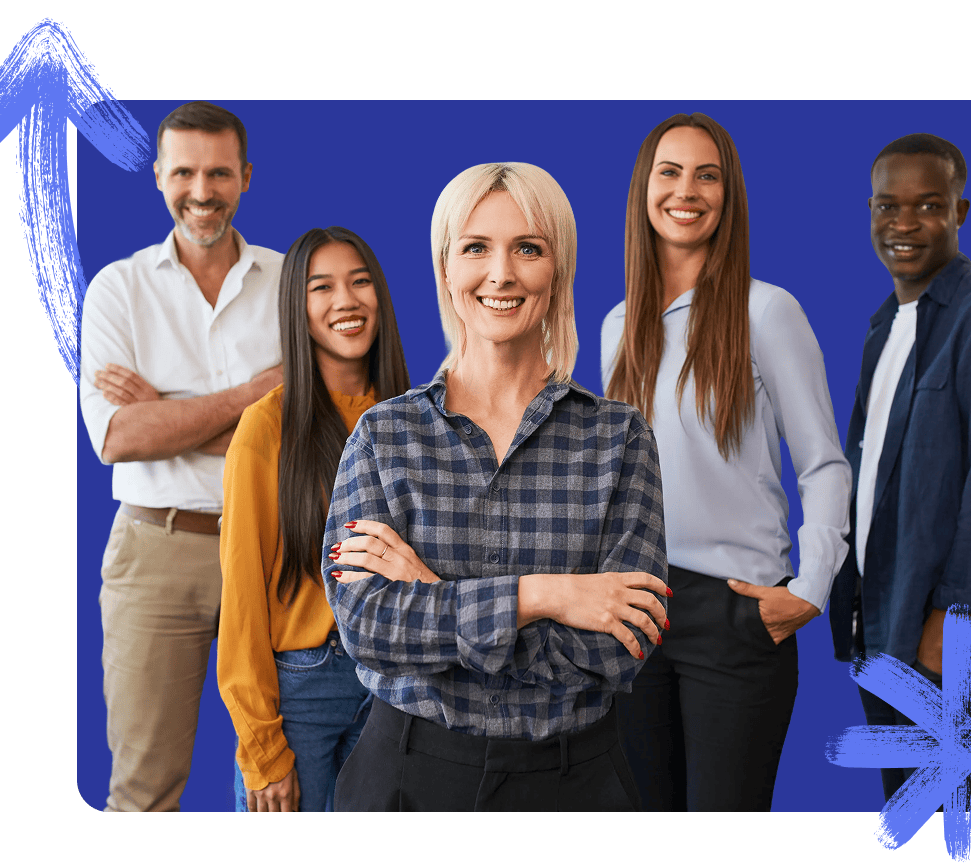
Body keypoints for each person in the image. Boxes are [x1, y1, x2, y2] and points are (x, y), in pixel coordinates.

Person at [320, 162, 670, 812]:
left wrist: (432, 592)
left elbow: (621, 647)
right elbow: (366, 626)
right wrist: (545, 595)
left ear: (558, 269)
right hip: (407, 778)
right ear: (445, 268)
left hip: (574, 785)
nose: (501, 273)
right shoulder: (383, 435)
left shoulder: (619, 439)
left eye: (528, 248)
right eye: (476, 247)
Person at [602, 113, 852, 811]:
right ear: (643, 189)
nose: (687, 190)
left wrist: (810, 586)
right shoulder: (617, 326)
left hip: (737, 614)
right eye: (670, 172)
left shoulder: (767, 312)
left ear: (728, 194)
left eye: (706, 175)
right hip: (638, 610)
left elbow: (824, 465)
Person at [828, 133, 971, 807]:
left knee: (966, 829)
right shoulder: (887, 326)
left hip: (959, 648)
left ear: (961, 211)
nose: (903, 224)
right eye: (887, 206)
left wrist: (952, 625)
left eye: (928, 205)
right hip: (891, 633)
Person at [79, 101, 283, 812]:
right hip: (156, 554)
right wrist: (253, 396)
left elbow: (313, 434)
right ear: (159, 177)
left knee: (283, 776)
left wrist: (166, 408)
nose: (202, 191)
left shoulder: (292, 282)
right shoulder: (118, 289)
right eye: (185, 173)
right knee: (143, 790)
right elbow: (118, 438)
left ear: (246, 177)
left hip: (276, 548)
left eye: (219, 173)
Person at [217, 227, 411, 812]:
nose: (345, 301)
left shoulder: (414, 418)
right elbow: (242, 592)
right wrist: (261, 746)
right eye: (321, 287)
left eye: (360, 282)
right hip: (302, 690)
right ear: (296, 310)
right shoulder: (266, 426)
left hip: (393, 690)